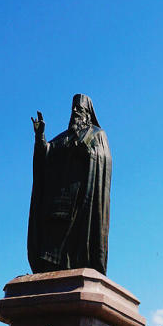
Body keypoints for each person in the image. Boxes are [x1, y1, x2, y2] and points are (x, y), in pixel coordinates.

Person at [28, 94, 112, 274]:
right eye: (73, 109)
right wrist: (40, 136)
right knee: (51, 252)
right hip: (58, 204)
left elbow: (103, 159)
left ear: (88, 114)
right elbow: (46, 154)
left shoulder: (96, 134)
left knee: (78, 246)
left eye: (79, 109)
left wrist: (88, 152)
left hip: (83, 202)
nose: (74, 112)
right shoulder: (63, 137)